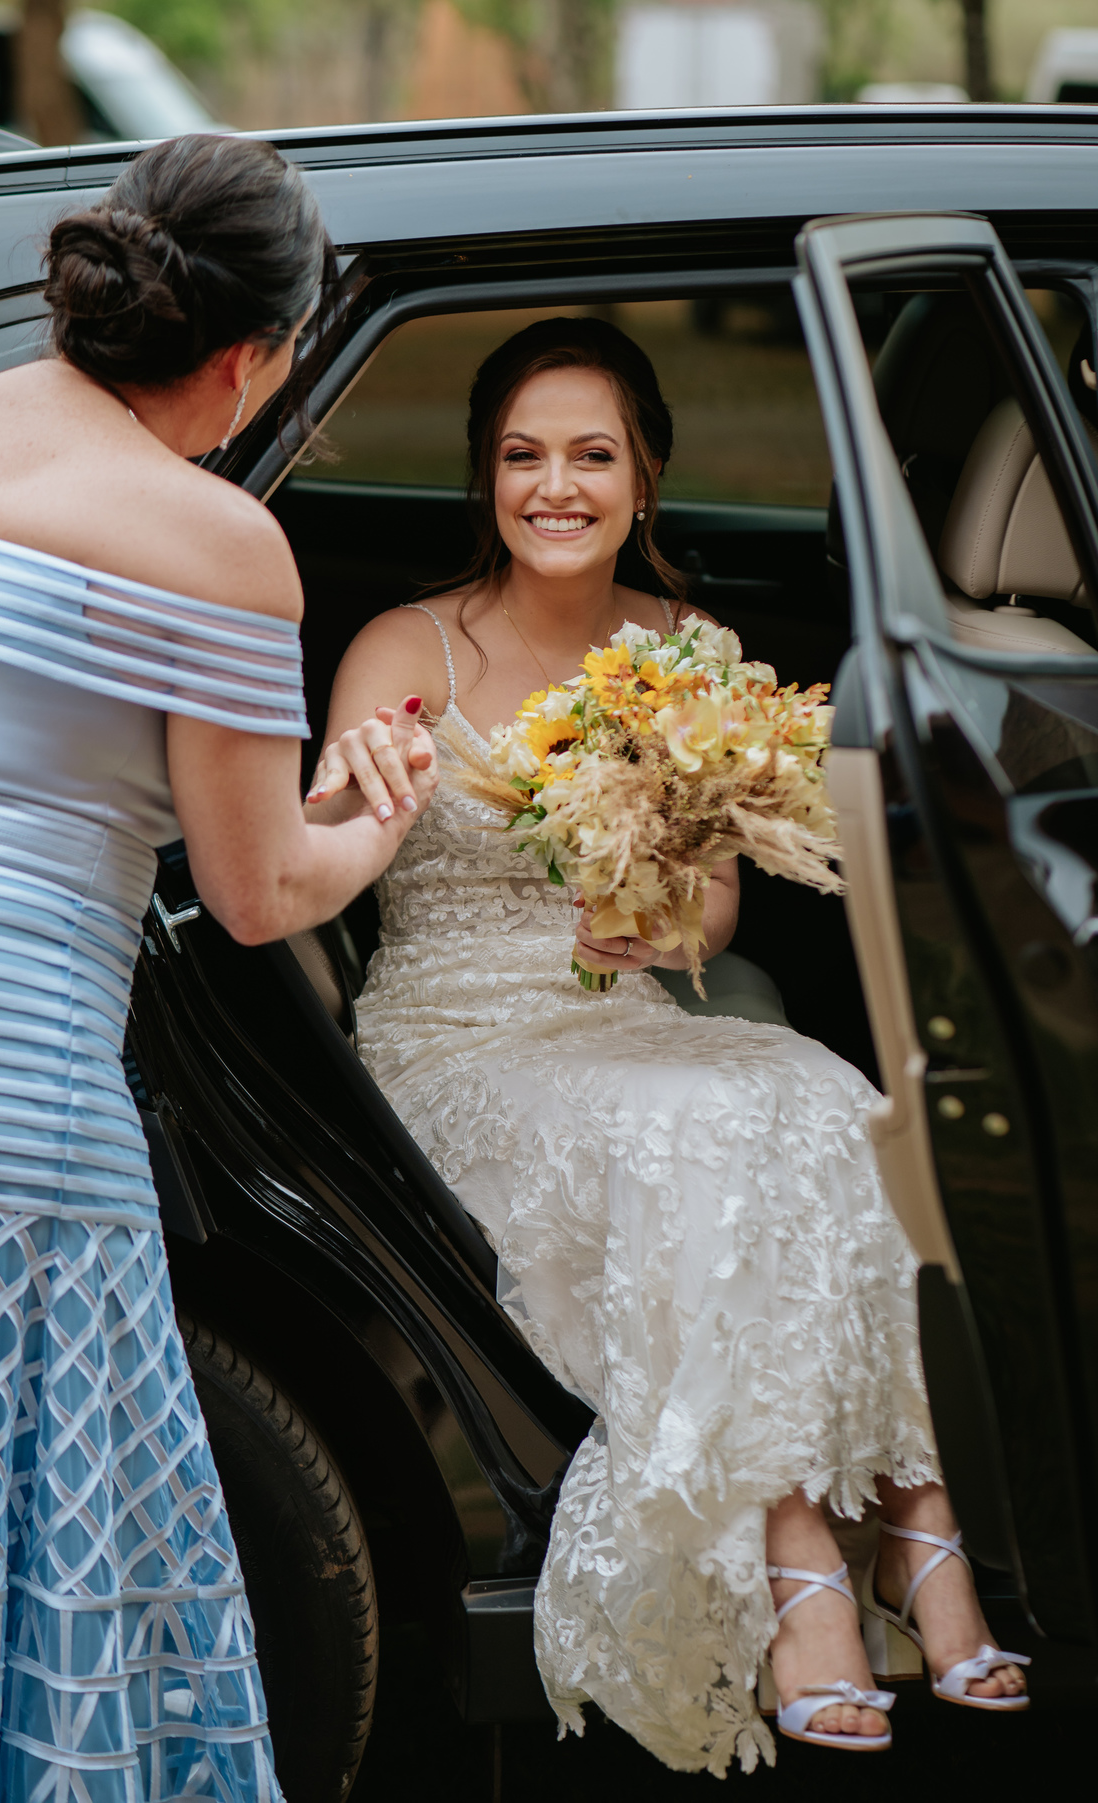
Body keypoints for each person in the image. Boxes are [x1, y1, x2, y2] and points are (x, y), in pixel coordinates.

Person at [307, 316, 1029, 1773]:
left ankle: (916, 1511)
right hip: (453, 1037)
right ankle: (800, 1556)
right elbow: (320, 856)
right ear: (486, 476)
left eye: (591, 455)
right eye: (522, 456)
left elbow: (715, 909)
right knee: (692, 1126)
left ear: (645, 479)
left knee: (834, 1096)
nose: (554, 486)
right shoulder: (408, 644)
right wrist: (349, 788)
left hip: (617, 1014)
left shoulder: (690, 652)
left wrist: (655, 929)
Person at [0, 135, 435, 1801]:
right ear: (251, 355)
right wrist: (381, 813)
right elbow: (260, 893)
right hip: (4, 1100)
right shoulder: (217, 541)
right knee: (20, 1548)